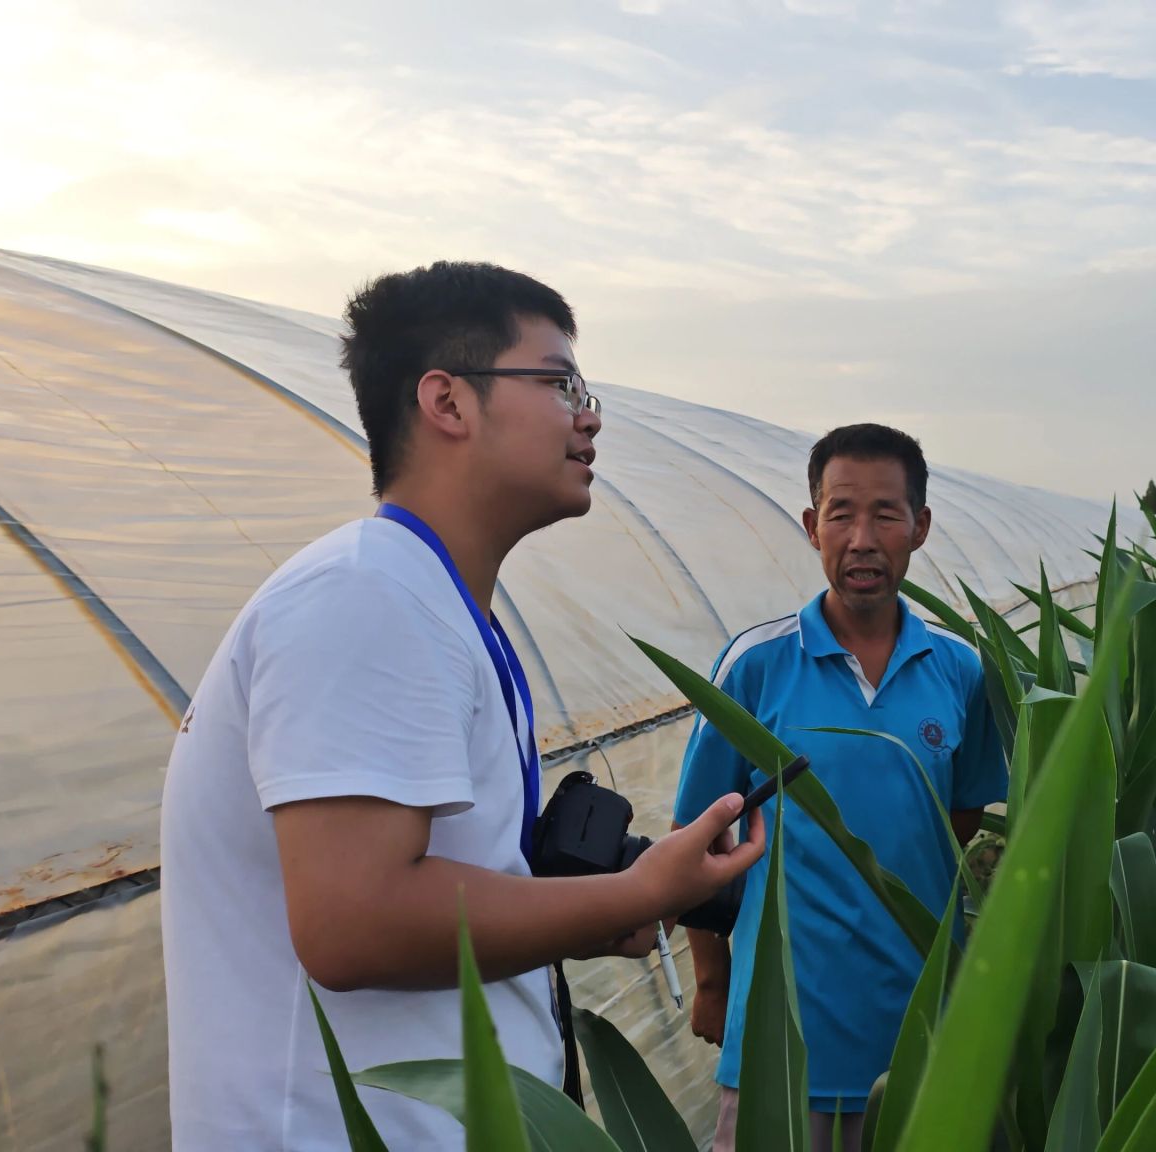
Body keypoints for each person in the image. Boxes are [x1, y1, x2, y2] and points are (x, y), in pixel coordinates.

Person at [160, 261, 765, 1150]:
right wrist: (630, 894)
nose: (589, 415)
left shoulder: (433, 603)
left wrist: (594, 905)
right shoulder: (367, 597)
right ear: (447, 401)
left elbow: (429, 891)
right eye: (560, 384)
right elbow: (352, 922)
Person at [673, 423, 1009, 1152]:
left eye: (886, 515)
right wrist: (711, 981)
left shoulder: (961, 671)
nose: (862, 539)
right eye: (840, 514)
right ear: (811, 525)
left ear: (920, 526)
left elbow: (957, 821)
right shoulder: (756, 666)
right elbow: (698, 838)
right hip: (782, 1036)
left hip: (921, 1028)